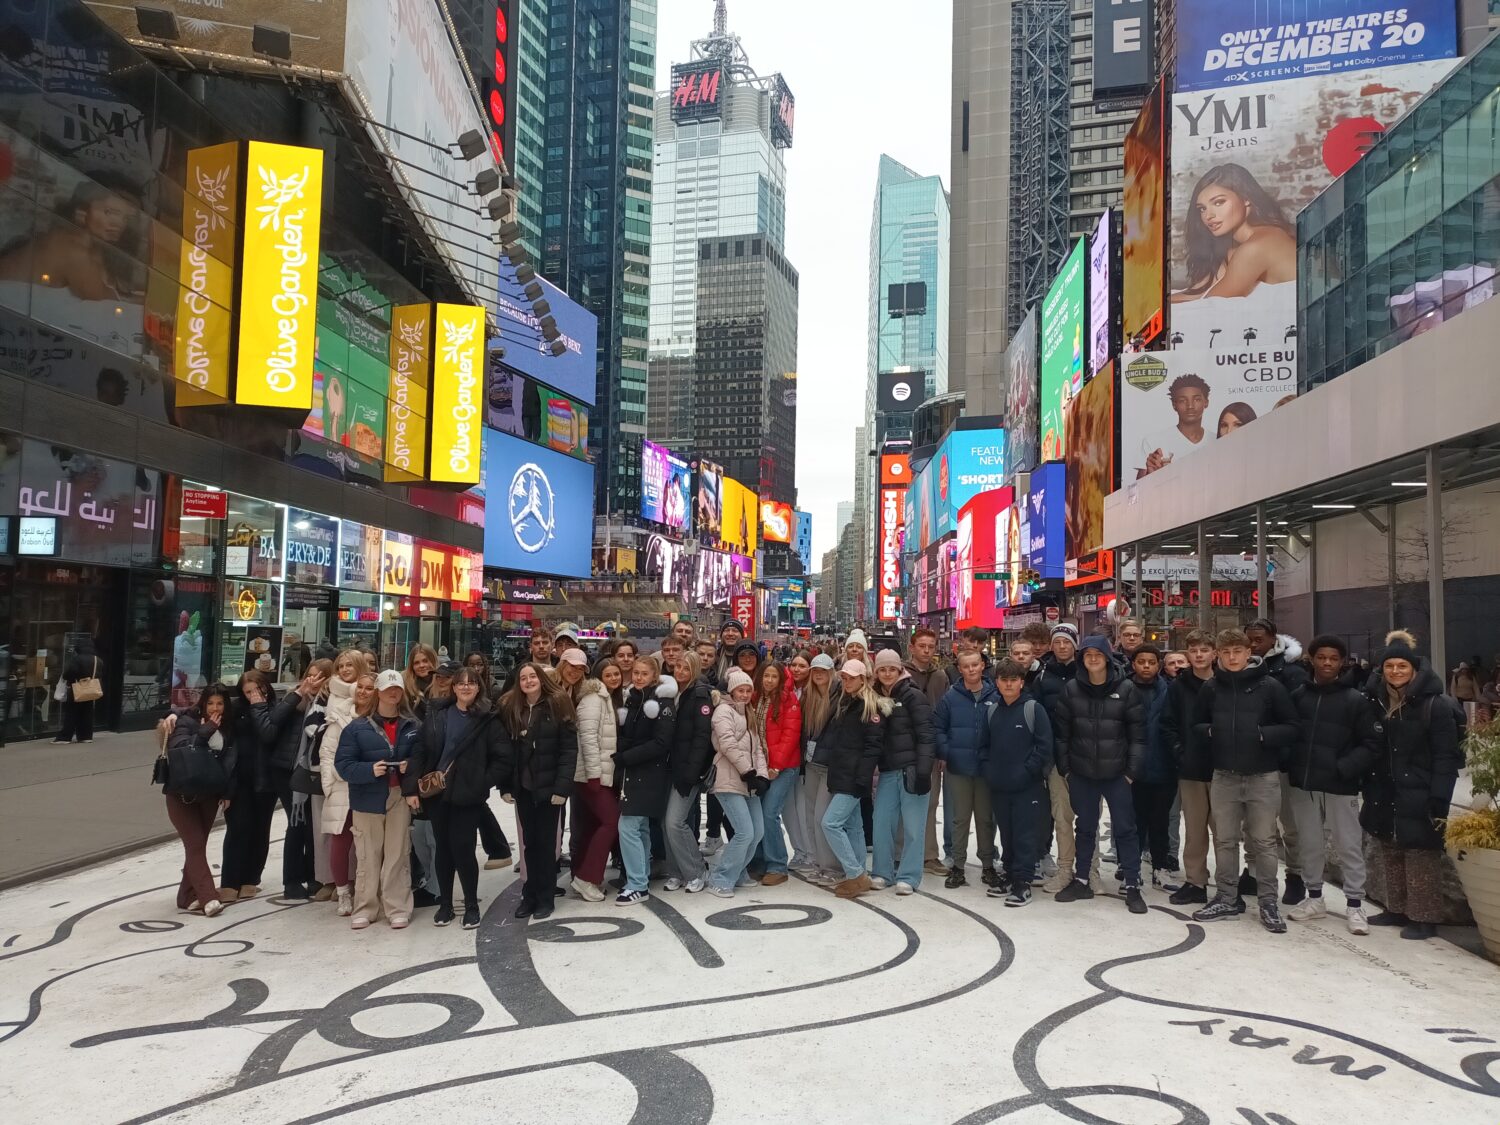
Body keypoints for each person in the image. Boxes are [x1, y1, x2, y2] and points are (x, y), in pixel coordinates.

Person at [1190, 628, 1301, 934]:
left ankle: (1268, 901)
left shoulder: (1270, 686)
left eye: (1236, 651)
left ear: (1247, 652)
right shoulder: (1212, 688)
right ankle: (1226, 896)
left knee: (1264, 841)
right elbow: (1196, 723)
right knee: (1224, 840)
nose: (1231, 657)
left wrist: (1264, 735)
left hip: (1262, 776)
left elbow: (1292, 726)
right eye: (1225, 653)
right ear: (1219, 655)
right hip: (1224, 775)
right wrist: (1210, 732)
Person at [1361, 636, 1461, 940]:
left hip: (1420, 789)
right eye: (1389, 666)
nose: (1395, 670)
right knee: (1390, 848)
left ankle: (1424, 917)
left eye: (1402, 665)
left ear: (1415, 669)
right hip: (1386, 788)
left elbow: (1446, 756)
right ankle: (1397, 908)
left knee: (1421, 852)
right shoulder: (1376, 701)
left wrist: (1439, 797)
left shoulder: (1436, 705)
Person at [1285, 635, 1382, 935]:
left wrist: (1344, 768)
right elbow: (1289, 734)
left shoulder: (1356, 700)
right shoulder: (1299, 695)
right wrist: (1293, 765)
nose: (1327, 663)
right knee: (1310, 844)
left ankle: (1355, 905)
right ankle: (1314, 898)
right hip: (1305, 784)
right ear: (1312, 660)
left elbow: (1371, 742)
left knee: (1348, 845)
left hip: (1341, 786)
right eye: (1321, 657)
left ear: (1341, 662)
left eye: (1333, 658)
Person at [1053, 636, 1148, 914]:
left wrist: (1131, 772)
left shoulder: (1126, 689)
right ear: (1082, 659)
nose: (1093, 659)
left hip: (1117, 774)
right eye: (1088, 654)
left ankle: (1132, 884)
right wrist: (1067, 769)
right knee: (1085, 827)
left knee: (1125, 829)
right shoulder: (1072, 690)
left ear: (1107, 657)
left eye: (1098, 654)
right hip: (1082, 773)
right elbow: (1062, 734)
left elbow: (1139, 736)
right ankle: (1082, 879)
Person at [337, 670, 420, 930]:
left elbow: (422, 757)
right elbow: (343, 765)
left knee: (397, 853)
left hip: (398, 796)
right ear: (378, 692)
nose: (393, 693)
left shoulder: (412, 726)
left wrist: (411, 767)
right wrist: (369, 770)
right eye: (387, 689)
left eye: (397, 689)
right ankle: (365, 906)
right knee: (367, 854)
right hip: (367, 798)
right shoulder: (357, 728)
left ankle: (397, 906)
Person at [497, 663, 576, 922]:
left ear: (541, 679)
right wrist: (507, 786)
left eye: (533, 676)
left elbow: (568, 750)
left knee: (545, 845)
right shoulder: (514, 709)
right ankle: (529, 893)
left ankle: (545, 896)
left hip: (549, 788)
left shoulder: (557, 704)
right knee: (529, 845)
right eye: (523, 677)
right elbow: (508, 752)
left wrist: (562, 788)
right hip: (525, 787)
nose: (529, 681)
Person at [251, 660, 330, 899]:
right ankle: (292, 880)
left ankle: (313, 876)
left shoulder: (327, 702)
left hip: (313, 770)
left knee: (313, 825)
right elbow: (271, 726)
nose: (313, 681)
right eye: (310, 675)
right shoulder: (294, 698)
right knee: (297, 823)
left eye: (320, 677)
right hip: (287, 769)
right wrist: (297, 694)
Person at [1246, 617, 1308, 905]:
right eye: (1249, 639)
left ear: (1273, 638)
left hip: (1282, 759)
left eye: (1259, 639)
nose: (1253, 644)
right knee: (1254, 824)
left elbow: (1297, 720)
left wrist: (1269, 738)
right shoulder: (1243, 668)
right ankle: (1253, 871)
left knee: (1290, 824)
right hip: (1249, 760)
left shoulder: (1292, 673)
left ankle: (1296, 876)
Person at [159, 685, 237, 916]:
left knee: (198, 846)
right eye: (211, 703)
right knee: (194, 844)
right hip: (181, 793)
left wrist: (228, 793)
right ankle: (208, 896)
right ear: (203, 704)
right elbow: (182, 748)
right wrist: (206, 729)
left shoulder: (229, 728)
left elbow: (231, 763)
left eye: (220, 703)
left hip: (210, 794)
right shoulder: (185, 722)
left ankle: (185, 896)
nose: (215, 708)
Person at [1171, 162, 1296, 303]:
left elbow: (1210, 302)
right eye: (1202, 208)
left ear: (1246, 199)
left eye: (1218, 202)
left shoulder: (1257, 246)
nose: (1208, 216)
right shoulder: (1236, 249)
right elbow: (1198, 292)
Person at [985, 659, 1052, 907]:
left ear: (1021, 682)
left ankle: (1023, 882)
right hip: (1000, 785)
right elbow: (984, 746)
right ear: (997, 683)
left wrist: (1027, 771)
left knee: (1025, 834)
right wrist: (989, 770)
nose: (1009, 684)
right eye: (1004, 680)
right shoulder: (992, 711)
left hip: (1027, 786)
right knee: (1007, 833)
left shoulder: (1033, 709)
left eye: (1014, 680)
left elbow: (1044, 747)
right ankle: (1010, 875)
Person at [933, 650, 1001, 890]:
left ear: (982, 665)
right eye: (966, 666)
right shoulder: (951, 697)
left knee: (985, 819)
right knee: (959, 819)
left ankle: (988, 865)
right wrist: (947, 752)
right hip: (959, 767)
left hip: (986, 768)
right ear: (959, 669)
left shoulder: (996, 694)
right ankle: (958, 867)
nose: (971, 669)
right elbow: (938, 727)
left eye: (975, 665)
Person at [816, 660, 884, 898]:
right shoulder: (847, 703)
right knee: (853, 826)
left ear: (863, 679)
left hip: (853, 777)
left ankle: (855, 873)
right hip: (843, 773)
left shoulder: (868, 706)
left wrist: (862, 778)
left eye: (851, 677)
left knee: (830, 823)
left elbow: (873, 747)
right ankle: (858, 873)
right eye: (844, 677)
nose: (846, 681)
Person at [871, 648, 936, 895]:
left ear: (900, 669)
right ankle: (882, 871)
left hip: (911, 770)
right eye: (882, 669)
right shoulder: (875, 696)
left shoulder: (912, 696)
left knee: (913, 826)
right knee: (882, 823)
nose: (887, 673)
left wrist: (923, 771)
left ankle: (909, 875)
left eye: (892, 669)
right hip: (888, 770)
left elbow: (926, 735)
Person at [556, 648, 619, 903]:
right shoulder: (594, 698)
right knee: (611, 821)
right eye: (608, 674)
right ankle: (587, 876)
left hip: (596, 773)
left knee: (593, 824)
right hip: (591, 774)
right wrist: (593, 775)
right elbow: (588, 739)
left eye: (617, 674)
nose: (614, 678)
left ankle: (582, 874)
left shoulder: (605, 697)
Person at [613, 662, 677, 905]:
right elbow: (630, 735)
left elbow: (662, 742)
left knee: (628, 826)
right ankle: (640, 878)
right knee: (638, 827)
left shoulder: (662, 703)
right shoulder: (634, 699)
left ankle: (638, 883)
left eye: (644, 673)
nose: (638, 677)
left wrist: (626, 756)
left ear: (654, 677)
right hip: (634, 771)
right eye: (636, 673)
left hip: (650, 773)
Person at [1161, 630, 1217, 905]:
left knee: (1224, 832)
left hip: (1224, 769)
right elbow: (1168, 724)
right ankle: (1196, 881)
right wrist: (1179, 753)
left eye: (1204, 650)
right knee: (1194, 831)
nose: (1198, 655)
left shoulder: (1225, 682)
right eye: (1193, 650)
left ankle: (1228, 886)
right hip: (1191, 768)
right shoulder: (1178, 687)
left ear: (1213, 653)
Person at [706, 669, 769, 896]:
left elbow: (758, 748)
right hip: (728, 780)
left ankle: (738, 870)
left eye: (748, 691)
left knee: (757, 831)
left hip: (748, 781)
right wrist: (748, 771)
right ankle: (721, 877)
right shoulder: (723, 711)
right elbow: (727, 744)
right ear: (731, 691)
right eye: (740, 690)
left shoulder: (749, 713)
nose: (744, 695)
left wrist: (761, 775)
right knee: (744, 832)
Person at [317, 651, 371, 917]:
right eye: (341, 665)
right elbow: (326, 750)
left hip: (369, 784)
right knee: (340, 841)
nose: (345, 669)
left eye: (351, 665)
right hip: (342, 785)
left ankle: (367, 890)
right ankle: (343, 893)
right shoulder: (335, 704)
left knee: (369, 844)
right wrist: (330, 783)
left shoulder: (376, 705)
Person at [661, 651, 717, 892]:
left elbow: (701, 738)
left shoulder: (699, 695)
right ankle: (677, 871)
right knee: (666, 823)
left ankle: (696, 870)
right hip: (671, 767)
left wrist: (692, 773)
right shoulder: (674, 693)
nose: (680, 672)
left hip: (688, 771)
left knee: (676, 822)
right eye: (678, 667)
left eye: (686, 668)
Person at [1038, 622, 1088, 893]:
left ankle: (1088, 869)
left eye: (1066, 642)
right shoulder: (1043, 673)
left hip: (1088, 756)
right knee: (1062, 815)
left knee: (1089, 816)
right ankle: (1065, 868)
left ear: (1075, 644)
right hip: (1057, 756)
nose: (1061, 646)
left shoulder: (1088, 670)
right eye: (1057, 642)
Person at [1128, 646, 1178, 888]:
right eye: (1141, 661)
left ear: (1158, 665)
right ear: (1133, 664)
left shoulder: (1170, 690)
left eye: (1151, 662)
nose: (1146, 666)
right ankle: (1131, 868)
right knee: (1133, 821)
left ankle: (1160, 867)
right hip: (1132, 770)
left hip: (1164, 767)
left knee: (1160, 821)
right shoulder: (1124, 690)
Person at [904, 627, 952, 877]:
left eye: (930, 647)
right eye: (921, 646)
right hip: (904, 746)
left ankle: (929, 855)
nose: (926, 650)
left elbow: (945, 716)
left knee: (931, 803)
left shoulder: (941, 676)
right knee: (902, 801)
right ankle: (901, 852)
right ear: (912, 647)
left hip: (931, 748)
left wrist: (942, 751)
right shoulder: (900, 673)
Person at [757, 661, 803, 886]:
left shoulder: (789, 700)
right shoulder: (757, 698)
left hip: (784, 767)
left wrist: (775, 765)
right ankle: (760, 860)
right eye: (766, 676)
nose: (769, 681)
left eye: (774, 677)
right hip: (761, 766)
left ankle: (777, 864)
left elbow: (790, 735)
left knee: (769, 813)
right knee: (758, 813)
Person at [798, 653, 844, 885]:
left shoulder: (840, 696)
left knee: (821, 818)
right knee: (809, 816)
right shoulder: (808, 696)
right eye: (815, 670)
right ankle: (817, 862)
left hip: (829, 766)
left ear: (831, 672)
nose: (818, 674)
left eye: (823, 671)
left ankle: (832, 867)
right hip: (811, 763)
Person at [1137, 373, 1210, 477]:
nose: (1190, 406)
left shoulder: (1218, 439)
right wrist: (1150, 475)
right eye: (1182, 401)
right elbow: (1138, 489)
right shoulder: (1153, 442)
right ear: (1174, 405)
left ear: (1206, 402)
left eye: (1196, 399)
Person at [55, 636, 103, 744]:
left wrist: (68, 679)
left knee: (72, 713)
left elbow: (70, 673)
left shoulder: (77, 659)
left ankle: (65, 737)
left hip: (77, 689)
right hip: (91, 690)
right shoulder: (97, 660)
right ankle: (85, 736)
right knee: (87, 713)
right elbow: (99, 674)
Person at [403, 644, 439, 710]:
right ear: (412, 666)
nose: (421, 665)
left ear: (433, 661)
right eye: (416, 663)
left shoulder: (443, 684)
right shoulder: (404, 686)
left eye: (425, 661)